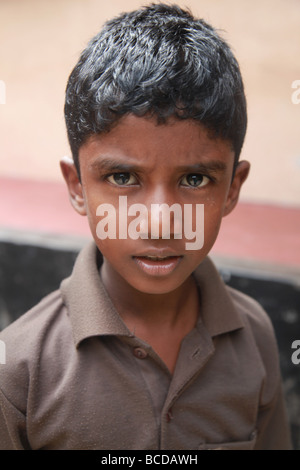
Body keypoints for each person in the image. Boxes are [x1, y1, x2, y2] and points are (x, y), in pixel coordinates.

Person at [0, 3, 292, 450]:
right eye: (122, 178)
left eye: (195, 179)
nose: (160, 222)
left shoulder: (255, 337)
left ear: (232, 188)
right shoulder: (19, 370)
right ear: (77, 186)